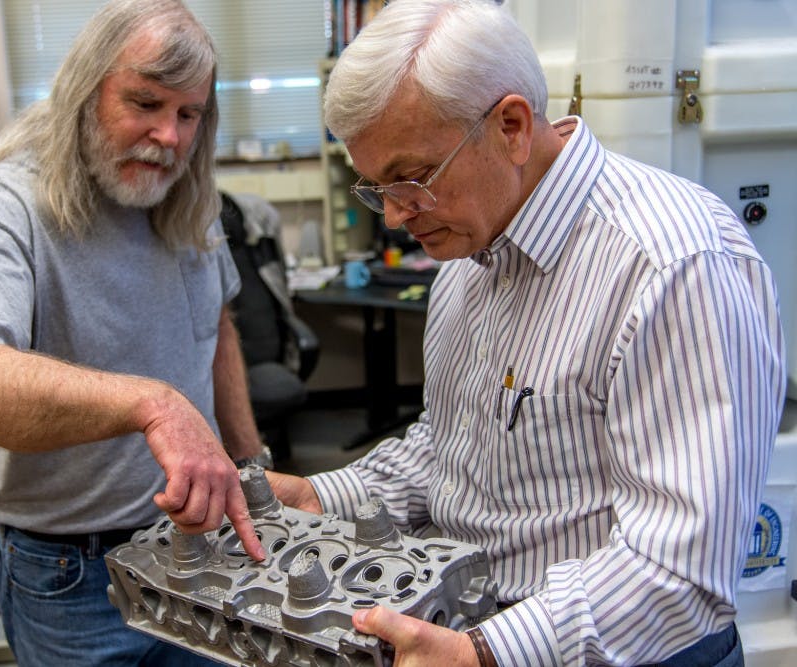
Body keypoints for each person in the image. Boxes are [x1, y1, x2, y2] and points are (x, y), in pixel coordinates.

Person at [268, 1, 787, 665]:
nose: (396, 215)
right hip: (475, 626)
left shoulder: (674, 266)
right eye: (375, 187)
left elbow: (677, 574)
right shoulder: (468, 254)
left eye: (412, 178)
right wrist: (318, 495)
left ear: (511, 126)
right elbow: (453, 448)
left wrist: (484, 652)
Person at [0, 1, 267, 664]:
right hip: (72, 579)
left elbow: (215, 325)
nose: (169, 136)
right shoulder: (8, 202)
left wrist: (252, 467)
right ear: (86, 92)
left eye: (188, 114)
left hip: (200, 551)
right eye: (145, 103)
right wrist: (152, 403)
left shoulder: (187, 193)